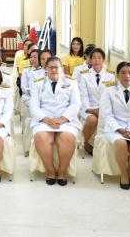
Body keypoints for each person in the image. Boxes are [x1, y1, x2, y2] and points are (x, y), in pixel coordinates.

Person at [30, 56, 81, 186]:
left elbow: (75, 104)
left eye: (56, 67)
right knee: (41, 137)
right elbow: (34, 106)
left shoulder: (70, 82)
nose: (54, 70)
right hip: (43, 120)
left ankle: (62, 171)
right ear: (45, 69)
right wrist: (46, 119)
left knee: (68, 138)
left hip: (66, 120)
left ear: (61, 68)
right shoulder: (37, 83)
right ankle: (51, 171)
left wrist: (62, 119)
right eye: (50, 67)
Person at [99, 61, 130, 189]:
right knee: (121, 144)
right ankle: (123, 174)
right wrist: (120, 129)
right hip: (114, 128)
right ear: (117, 75)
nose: (127, 76)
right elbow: (107, 115)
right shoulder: (109, 91)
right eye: (123, 72)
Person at [78, 48, 116, 155]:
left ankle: (105, 148)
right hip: (87, 107)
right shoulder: (84, 75)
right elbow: (83, 96)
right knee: (92, 120)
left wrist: (102, 109)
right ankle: (86, 142)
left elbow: (111, 96)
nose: (97, 60)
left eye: (99, 57)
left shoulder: (110, 75)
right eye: (94, 57)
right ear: (90, 60)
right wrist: (91, 109)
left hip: (104, 108)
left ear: (103, 60)